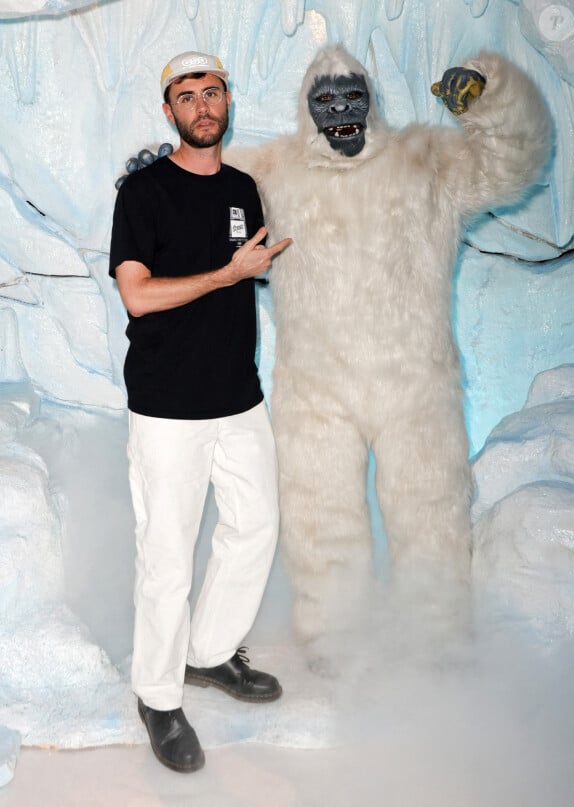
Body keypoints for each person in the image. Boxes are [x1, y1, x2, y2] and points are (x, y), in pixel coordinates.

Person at [109, 50, 292, 774]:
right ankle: (157, 694)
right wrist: (228, 274)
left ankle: (209, 653)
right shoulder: (143, 193)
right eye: (187, 96)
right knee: (166, 553)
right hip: (166, 405)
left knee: (255, 527)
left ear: (227, 101)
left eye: (212, 92)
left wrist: (247, 274)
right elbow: (138, 295)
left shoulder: (244, 187)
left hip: (237, 397)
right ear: (170, 111)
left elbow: (248, 278)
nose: (202, 105)